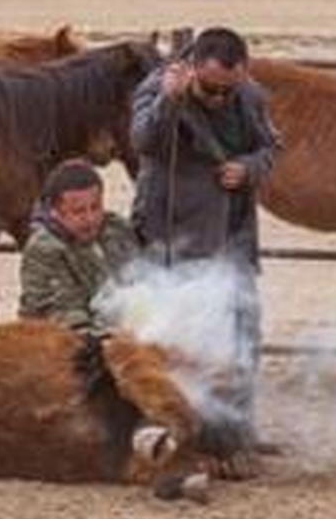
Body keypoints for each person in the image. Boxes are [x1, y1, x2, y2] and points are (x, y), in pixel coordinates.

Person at [129, 26, 281, 474]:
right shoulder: (159, 88)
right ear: (192, 68)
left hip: (230, 229)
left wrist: (249, 169)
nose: (217, 97)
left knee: (240, 331)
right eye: (209, 88)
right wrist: (169, 101)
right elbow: (143, 141)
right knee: (180, 335)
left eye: (226, 89)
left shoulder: (250, 97)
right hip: (170, 233)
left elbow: (270, 146)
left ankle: (237, 431)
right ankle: (186, 432)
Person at [18, 158, 139, 335]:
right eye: (78, 211)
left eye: (95, 207)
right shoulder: (45, 250)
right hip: (62, 347)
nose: (89, 218)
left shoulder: (115, 229)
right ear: (56, 212)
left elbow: (139, 281)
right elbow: (64, 320)